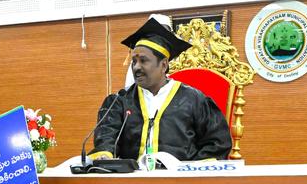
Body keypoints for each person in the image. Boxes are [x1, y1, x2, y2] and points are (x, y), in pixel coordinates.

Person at [91, 16, 232, 163]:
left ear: (164, 65)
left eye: (143, 60)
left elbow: (216, 143)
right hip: (132, 180)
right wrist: (105, 153)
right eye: (134, 61)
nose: (136, 67)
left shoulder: (194, 99)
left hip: (179, 180)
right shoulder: (119, 101)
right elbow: (106, 135)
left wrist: (191, 172)